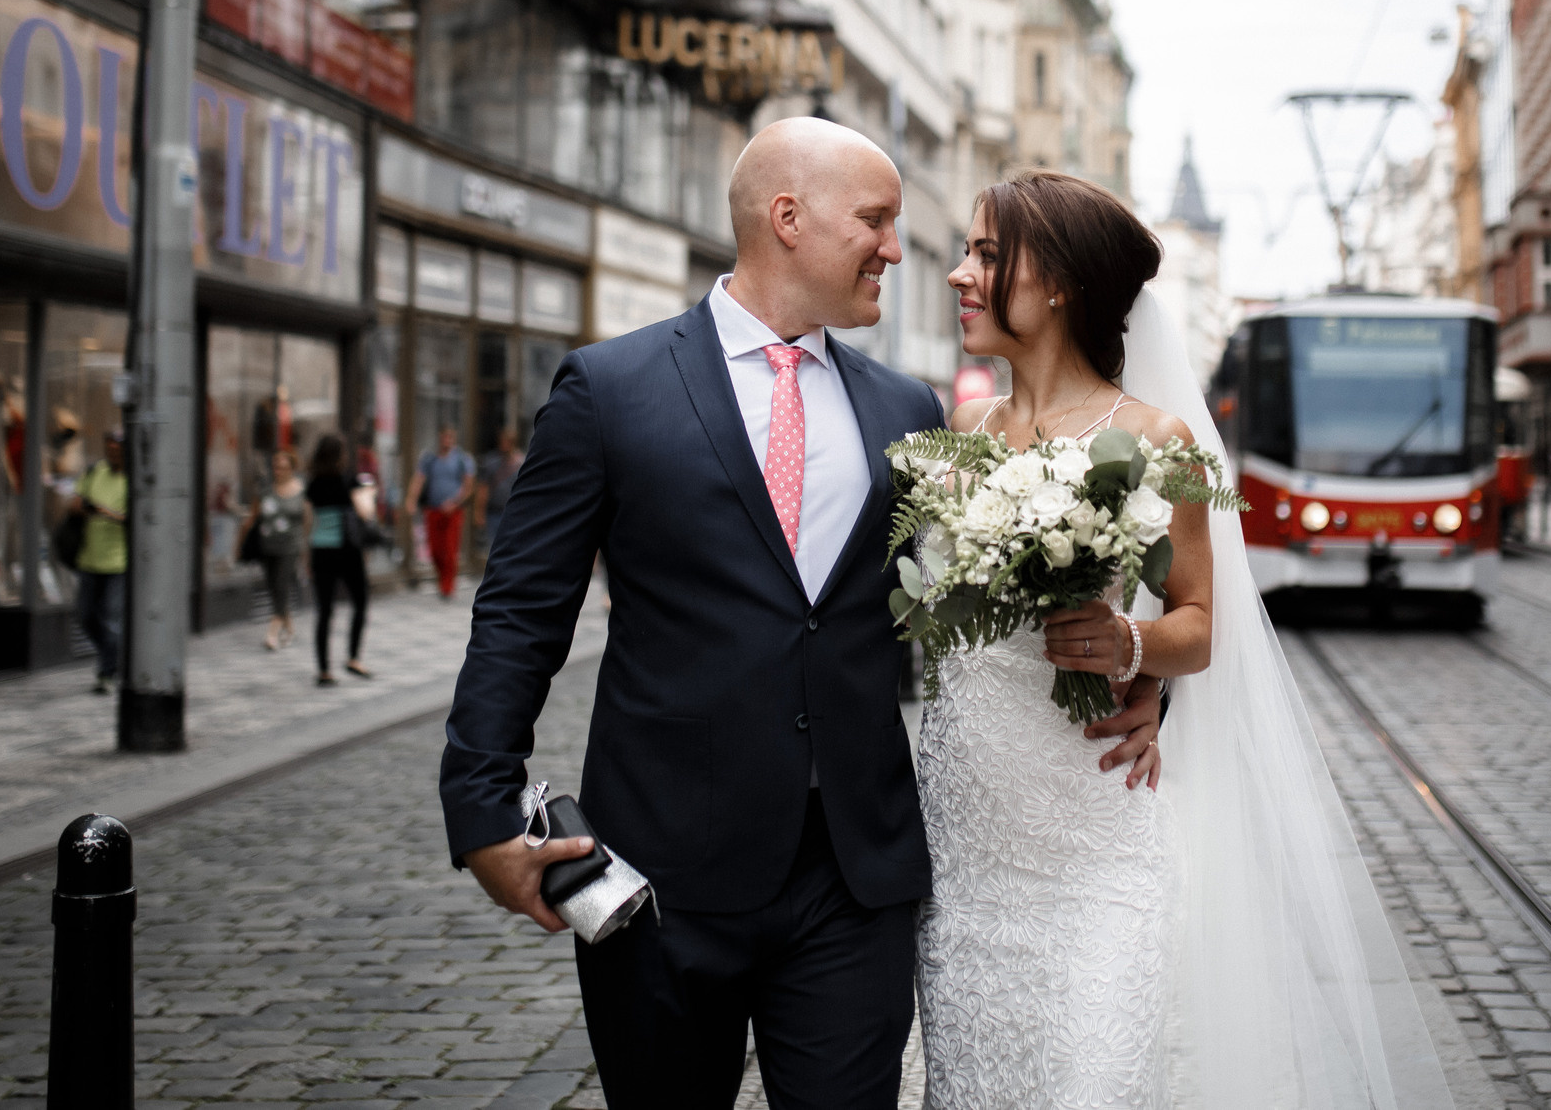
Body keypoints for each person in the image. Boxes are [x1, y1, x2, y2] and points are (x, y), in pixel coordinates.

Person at [439, 120, 1164, 1110]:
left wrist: (1139, 664)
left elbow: (1001, 601)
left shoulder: (906, 411)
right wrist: (481, 814)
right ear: (789, 218)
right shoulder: (608, 391)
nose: (898, 250)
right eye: (876, 220)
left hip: (854, 882)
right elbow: (521, 611)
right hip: (661, 876)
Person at [925, 171, 1456, 1109]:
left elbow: (1200, 624)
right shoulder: (963, 428)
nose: (960, 274)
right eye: (968, 252)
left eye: (986, 254)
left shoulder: (1157, 438)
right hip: (967, 858)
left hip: (1094, 842)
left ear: (1057, 284)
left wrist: (1127, 645)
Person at [305, 434, 373, 684]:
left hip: (321, 550)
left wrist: (306, 555)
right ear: (340, 455)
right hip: (347, 551)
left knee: (324, 612)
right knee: (361, 601)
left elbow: (308, 521)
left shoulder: (313, 483)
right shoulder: (349, 481)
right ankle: (353, 658)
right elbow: (365, 512)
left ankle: (324, 670)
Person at [74, 430, 129, 695]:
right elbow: (75, 503)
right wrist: (82, 508)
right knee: (85, 616)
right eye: (109, 448)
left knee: (112, 619)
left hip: (118, 562)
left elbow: (134, 519)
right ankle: (113, 654)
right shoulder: (94, 471)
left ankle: (106, 673)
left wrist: (105, 513)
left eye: (118, 448)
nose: (113, 452)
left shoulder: (133, 479)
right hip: (89, 558)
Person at [409, 426, 477, 600]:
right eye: (444, 437)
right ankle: (442, 578)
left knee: (450, 549)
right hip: (433, 509)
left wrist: (455, 502)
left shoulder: (462, 459)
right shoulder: (429, 459)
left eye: (450, 437)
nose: (446, 441)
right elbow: (418, 479)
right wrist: (411, 499)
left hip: (452, 511)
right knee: (434, 549)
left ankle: (447, 586)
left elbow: (468, 486)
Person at [255, 449, 308, 651]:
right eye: (276, 467)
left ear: (293, 469)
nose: (279, 471)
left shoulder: (301, 491)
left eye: (284, 468)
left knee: (282, 585)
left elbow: (307, 519)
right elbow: (254, 516)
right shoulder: (266, 490)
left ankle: (272, 632)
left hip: (290, 546)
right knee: (273, 588)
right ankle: (290, 628)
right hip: (268, 546)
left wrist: (306, 547)